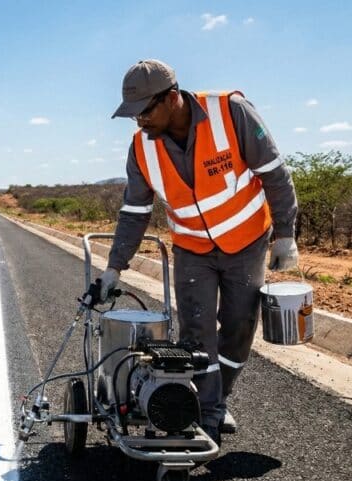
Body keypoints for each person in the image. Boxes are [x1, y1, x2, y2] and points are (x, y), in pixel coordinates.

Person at [99, 59, 299, 447]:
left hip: (246, 242)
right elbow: (135, 211)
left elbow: (274, 173)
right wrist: (114, 267)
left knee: (239, 327)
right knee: (196, 333)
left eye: (144, 111)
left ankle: (218, 399)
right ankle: (204, 416)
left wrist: (285, 235)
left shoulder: (230, 113)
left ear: (172, 97)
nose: (139, 121)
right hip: (192, 248)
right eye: (133, 114)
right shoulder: (142, 148)